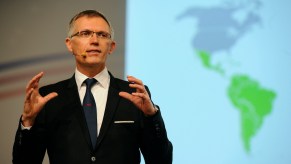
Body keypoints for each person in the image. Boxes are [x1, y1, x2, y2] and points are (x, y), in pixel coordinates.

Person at [12, 10, 172, 164]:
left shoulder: (134, 94)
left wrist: (152, 117)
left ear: (111, 47)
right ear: (70, 44)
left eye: (102, 35)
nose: (94, 40)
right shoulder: (48, 97)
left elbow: (161, 161)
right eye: (85, 33)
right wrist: (27, 122)